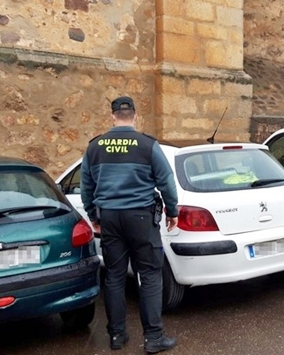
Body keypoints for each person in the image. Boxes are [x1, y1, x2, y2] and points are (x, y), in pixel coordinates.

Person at [80, 96, 179, 354]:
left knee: (113, 276)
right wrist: (173, 210)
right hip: (141, 218)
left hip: (110, 218)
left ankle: (116, 336)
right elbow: (166, 181)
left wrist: (93, 214)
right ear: (135, 116)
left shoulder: (95, 147)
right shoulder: (147, 145)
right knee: (148, 275)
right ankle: (153, 338)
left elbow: (86, 185)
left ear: (113, 116)